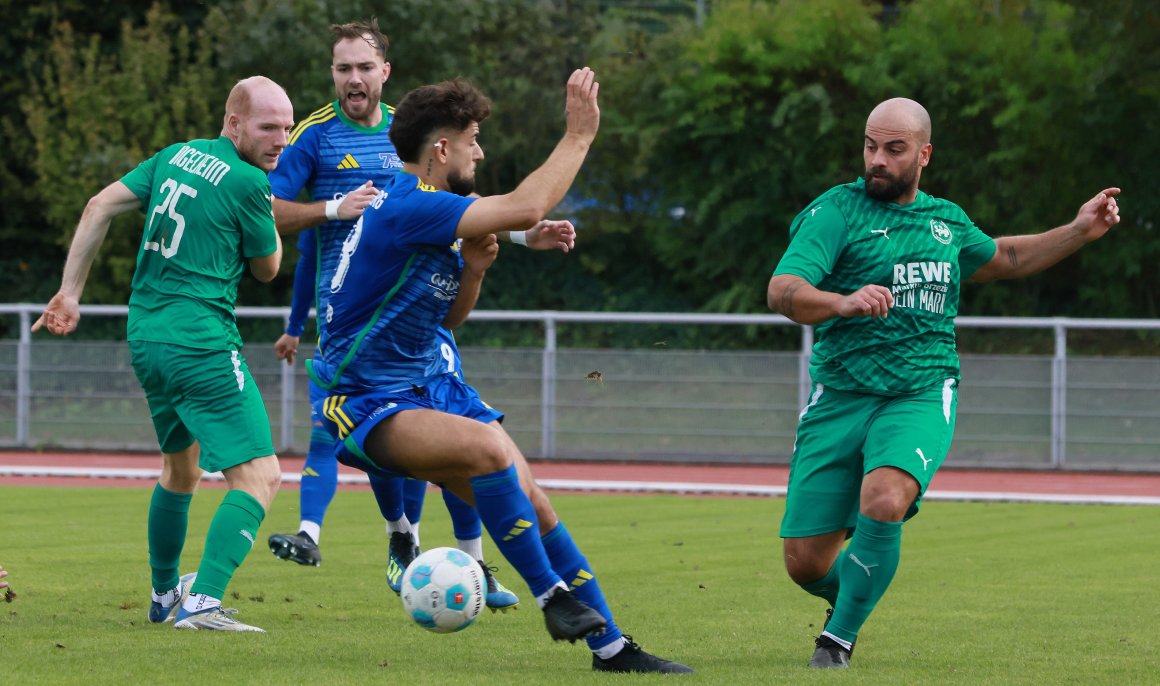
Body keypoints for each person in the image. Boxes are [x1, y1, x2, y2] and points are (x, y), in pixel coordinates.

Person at [307, 69, 691, 674]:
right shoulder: (410, 204)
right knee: (490, 450)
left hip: (425, 385)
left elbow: (447, 320)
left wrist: (479, 268)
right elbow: (527, 203)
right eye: (472, 140)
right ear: (440, 150)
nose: (479, 151)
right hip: (363, 397)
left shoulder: (423, 209)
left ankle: (613, 649)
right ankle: (551, 598)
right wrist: (579, 136)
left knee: (534, 503)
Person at [766, 97, 1121, 669]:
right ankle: (858, 592)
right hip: (840, 396)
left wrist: (1079, 230)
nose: (876, 160)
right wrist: (841, 301)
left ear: (924, 154)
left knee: (884, 498)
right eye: (870, 146)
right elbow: (782, 290)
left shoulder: (945, 221)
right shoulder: (837, 212)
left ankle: (837, 642)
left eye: (894, 149)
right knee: (805, 563)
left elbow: (1004, 257)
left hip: (920, 390)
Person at [262, 18, 566, 611]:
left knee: (456, 424)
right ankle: (399, 535)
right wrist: (330, 208)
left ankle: (473, 561)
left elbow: (460, 207)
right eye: (342, 68)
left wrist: (527, 236)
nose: (353, 78)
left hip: (421, 305)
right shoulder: (314, 136)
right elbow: (264, 209)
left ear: (385, 73)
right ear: (333, 74)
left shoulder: (412, 132)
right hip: (354, 313)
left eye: (363, 67)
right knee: (374, 428)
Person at [33, 76, 296, 633]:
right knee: (263, 476)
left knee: (181, 469)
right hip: (199, 340)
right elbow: (268, 269)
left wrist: (70, 292)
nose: (281, 140)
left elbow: (99, 205)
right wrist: (272, 214)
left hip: (146, 336)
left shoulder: (176, 155)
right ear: (233, 123)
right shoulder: (251, 181)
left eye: (287, 128)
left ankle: (163, 592)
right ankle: (203, 602)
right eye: (268, 127)